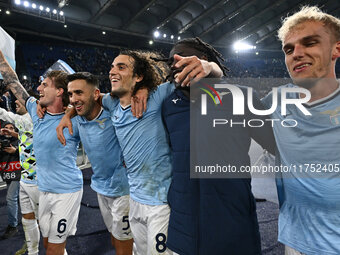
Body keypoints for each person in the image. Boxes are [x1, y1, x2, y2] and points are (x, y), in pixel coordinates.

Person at [162, 37, 276, 254]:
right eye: (170, 63)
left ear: (202, 60)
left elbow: (276, 145)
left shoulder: (241, 96)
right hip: (183, 226)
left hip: (231, 220)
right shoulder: (168, 104)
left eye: (180, 58)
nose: (174, 65)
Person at [262, 6, 340, 255]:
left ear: (336, 49)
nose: (296, 54)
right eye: (289, 49)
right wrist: (212, 70)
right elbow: (219, 102)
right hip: (295, 243)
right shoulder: (277, 101)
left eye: (310, 43)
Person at [0, 52, 82, 255]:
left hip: (66, 191)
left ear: (60, 91)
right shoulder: (35, 112)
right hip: (43, 189)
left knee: (54, 248)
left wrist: (71, 110)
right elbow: (12, 80)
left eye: (45, 85)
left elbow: (99, 98)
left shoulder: (77, 118)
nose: (38, 89)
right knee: (48, 245)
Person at [67, 72, 136, 255]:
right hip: (101, 187)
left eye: (79, 93)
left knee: (124, 243)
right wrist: (68, 114)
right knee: (114, 238)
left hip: (124, 189)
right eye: (70, 94)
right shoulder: (77, 118)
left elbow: (120, 96)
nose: (73, 99)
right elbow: (74, 107)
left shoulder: (113, 111)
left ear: (96, 94)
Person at [0, 96, 39, 255]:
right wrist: (13, 134)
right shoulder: (25, 122)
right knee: (28, 219)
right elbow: (26, 135)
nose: (15, 103)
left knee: (43, 222)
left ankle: (47, 247)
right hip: (25, 177)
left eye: (19, 101)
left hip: (39, 179)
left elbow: (3, 113)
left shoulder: (32, 120)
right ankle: (31, 248)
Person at [0, 122, 20, 239]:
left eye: (11, 128)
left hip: (19, 174)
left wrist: (16, 151)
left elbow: (31, 153)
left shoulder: (20, 140)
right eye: (5, 128)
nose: (8, 130)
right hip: (6, 173)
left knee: (11, 197)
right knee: (18, 198)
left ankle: (13, 225)